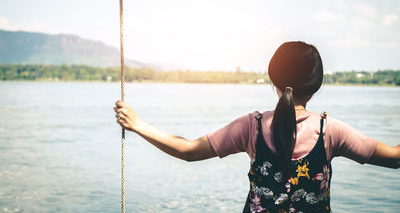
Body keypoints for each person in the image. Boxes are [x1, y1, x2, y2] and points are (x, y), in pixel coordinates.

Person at [114, 41, 399, 213]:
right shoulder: (330, 131)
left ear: (272, 79)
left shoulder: (252, 126)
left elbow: (188, 150)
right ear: (315, 87)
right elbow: (395, 158)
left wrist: (138, 125)